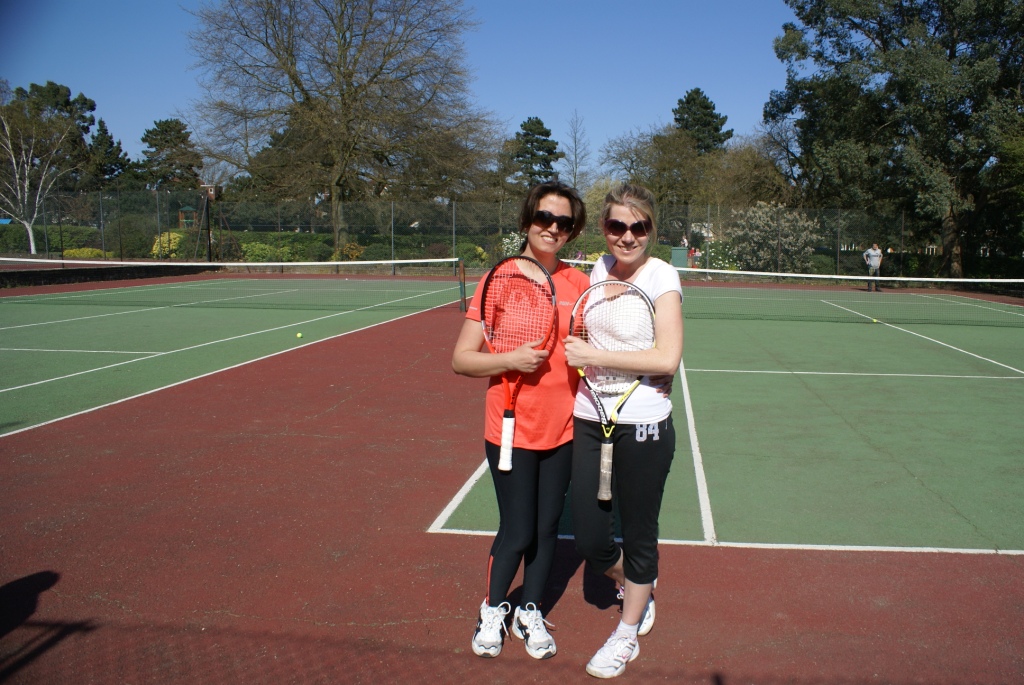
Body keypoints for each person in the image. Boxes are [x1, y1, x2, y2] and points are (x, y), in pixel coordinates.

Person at [452, 180, 590, 660]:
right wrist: (509, 359)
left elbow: (587, 352)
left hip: (564, 429)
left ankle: (528, 609)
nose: (552, 228)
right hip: (509, 427)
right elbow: (462, 359)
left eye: (563, 222)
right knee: (517, 528)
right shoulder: (498, 280)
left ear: (573, 232)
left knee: (548, 526)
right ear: (527, 221)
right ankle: (493, 608)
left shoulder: (580, 284)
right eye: (544, 218)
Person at [563, 183, 683, 679]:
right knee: (591, 537)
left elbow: (667, 357)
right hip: (592, 416)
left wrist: (595, 357)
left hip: (645, 423)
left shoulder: (662, 276)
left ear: (651, 229)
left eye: (638, 226)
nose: (627, 236)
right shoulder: (598, 270)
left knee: (639, 531)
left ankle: (626, 631)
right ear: (604, 229)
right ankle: (638, 580)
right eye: (617, 226)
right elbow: (590, 334)